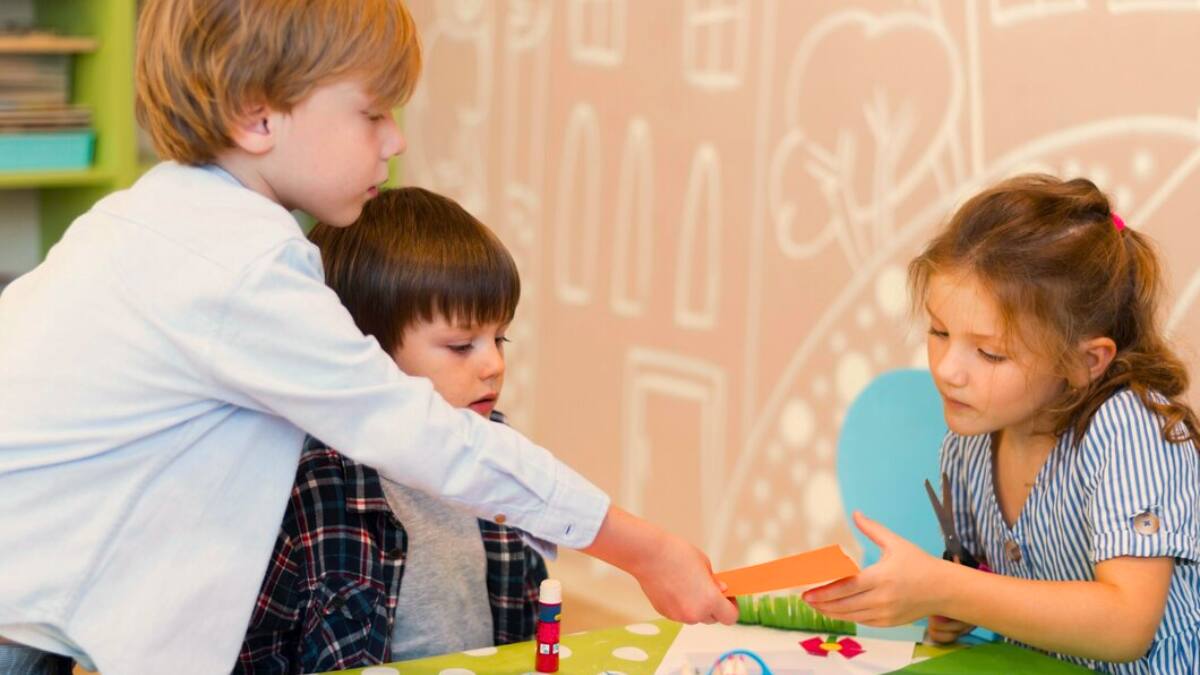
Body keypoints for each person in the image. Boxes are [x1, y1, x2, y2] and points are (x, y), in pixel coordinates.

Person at [0, 2, 734, 672]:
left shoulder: (148, 220)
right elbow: (425, 435)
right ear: (258, 118)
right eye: (372, 114)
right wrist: (644, 547)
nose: (396, 138)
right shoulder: (239, 271)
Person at [805, 174, 1200, 672]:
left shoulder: (1130, 433)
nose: (948, 370)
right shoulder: (970, 443)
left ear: (1085, 362)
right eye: (939, 331)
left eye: (990, 353)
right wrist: (952, 608)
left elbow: (1127, 625)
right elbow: (988, 585)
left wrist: (946, 586)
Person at [237, 187, 549, 672]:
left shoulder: (495, 453)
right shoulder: (310, 483)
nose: (494, 364)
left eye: (499, 337)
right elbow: (257, 649)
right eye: (463, 345)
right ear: (365, 354)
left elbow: (525, 615)